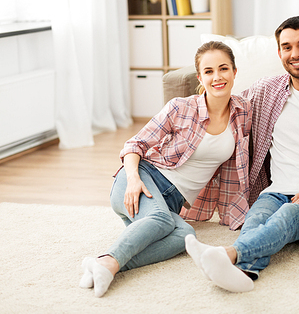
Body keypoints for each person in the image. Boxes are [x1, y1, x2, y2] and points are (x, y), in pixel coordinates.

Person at [185, 16, 299, 293]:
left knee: (287, 216)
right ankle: (244, 272)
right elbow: (225, 102)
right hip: (274, 192)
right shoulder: (265, 91)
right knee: (256, 220)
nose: (295, 54)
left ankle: (226, 255)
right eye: (287, 47)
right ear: (279, 53)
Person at [79, 41, 252, 297]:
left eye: (223, 69)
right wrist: (134, 178)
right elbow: (134, 144)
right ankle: (108, 261)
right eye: (209, 71)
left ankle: (105, 264)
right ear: (200, 78)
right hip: (140, 180)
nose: (217, 77)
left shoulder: (243, 111)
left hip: (172, 200)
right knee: (160, 219)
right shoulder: (181, 108)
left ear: (235, 72)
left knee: (185, 236)